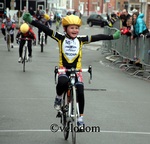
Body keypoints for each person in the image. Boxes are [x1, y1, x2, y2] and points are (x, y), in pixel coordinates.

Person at [23, 13, 121, 129]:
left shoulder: (81, 40)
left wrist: (112, 37)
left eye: (77, 28)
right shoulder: (60, 38)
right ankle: (59, 98)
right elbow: (46, 29)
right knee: (62, 82)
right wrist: (32, 21)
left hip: (77, 70)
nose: (75, 30)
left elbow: (97, 37)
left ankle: (80, 119)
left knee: (80, 92)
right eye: (72, 28)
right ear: (66, 29)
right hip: (64, 69)